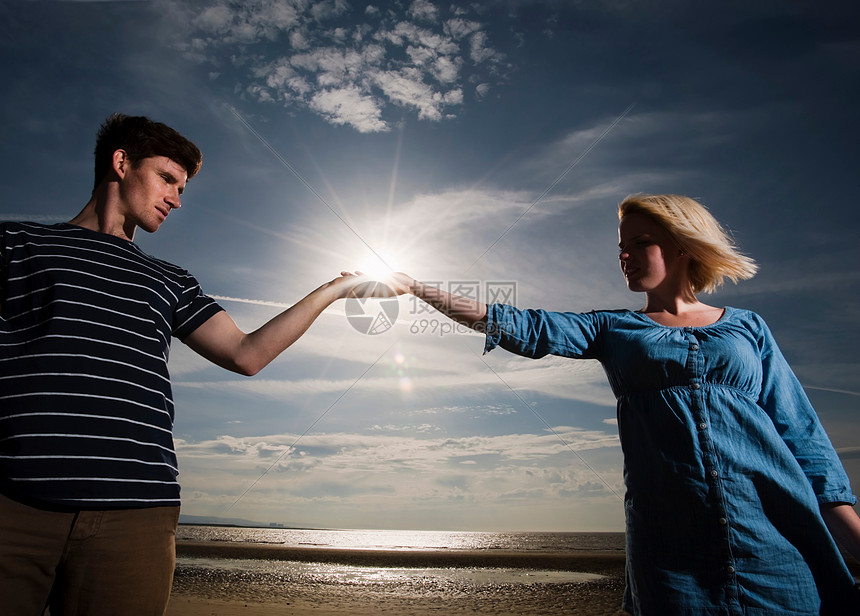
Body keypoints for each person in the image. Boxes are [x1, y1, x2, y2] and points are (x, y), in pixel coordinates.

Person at [385, 194, 860, 615]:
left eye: (639, 242)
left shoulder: (749, 327)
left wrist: (852, 533)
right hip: (670, 548)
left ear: (681, 245)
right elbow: (524, 326)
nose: (625, 256)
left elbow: (801, 434)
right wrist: (415, 287)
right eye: (620, 248)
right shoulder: (613, 328)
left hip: (777, 539)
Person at [0, 113, 375, 615]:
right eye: (167, 179)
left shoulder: (170, 279)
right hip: (14, 506)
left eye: (183, 188)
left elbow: (247, 354)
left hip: (137, 512)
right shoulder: (17, 246)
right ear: (121, 163)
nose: (177, 198)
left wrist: (335, 289)